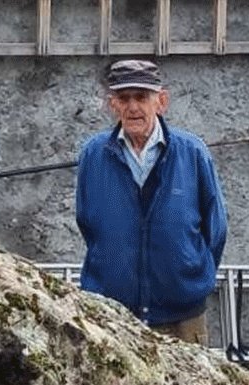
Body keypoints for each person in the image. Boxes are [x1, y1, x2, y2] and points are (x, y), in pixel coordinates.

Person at [75, 60, 228, 345]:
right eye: (124, 98)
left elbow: (215, 229)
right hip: (113, 315)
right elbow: (88, 223)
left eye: (142, 97)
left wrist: (190, 274)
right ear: (113, 105)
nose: (133, 107)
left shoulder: (192, 152)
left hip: (182, 317)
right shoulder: (94, 155)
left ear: (161, 101)